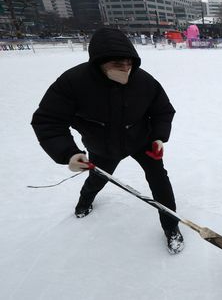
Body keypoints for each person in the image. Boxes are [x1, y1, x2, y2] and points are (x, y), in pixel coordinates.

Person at [31, 28, 184, 254]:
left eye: (128, 63)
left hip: (142, 141)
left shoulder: (144, 81)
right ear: (99, 63)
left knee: (159, 180)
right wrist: (68, 153)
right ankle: (85, 201)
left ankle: (171, 227)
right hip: (103, 145)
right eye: (117, 64)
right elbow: (48, 121)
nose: (125, 69)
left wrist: (158, 137)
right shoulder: (73, 83)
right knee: (98, 178)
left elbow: (162, 111)